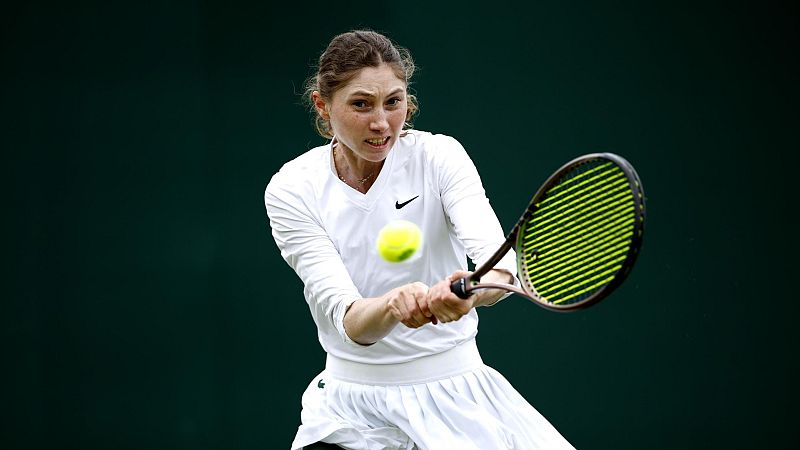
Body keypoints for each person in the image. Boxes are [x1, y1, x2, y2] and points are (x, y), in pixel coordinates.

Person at [264, 29, 575, 450]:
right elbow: (350, 320)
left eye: (393, 102)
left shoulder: (440, 157)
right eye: (361, 104)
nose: (381, 122)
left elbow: (501, 269)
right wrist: (394, 305)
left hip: (455, 398)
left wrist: (469, 291)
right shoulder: (292, 188)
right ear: (323, 105)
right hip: (349, 413)